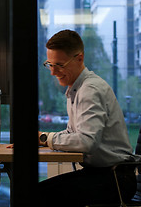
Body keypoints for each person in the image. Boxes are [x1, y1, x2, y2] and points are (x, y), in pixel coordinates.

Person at [38, 29, 137, 206]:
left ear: (79, 58)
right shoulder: (76, 89)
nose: (53, 72)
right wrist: (42, 139)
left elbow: (86, 141)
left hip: (114, 179)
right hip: (105, 175)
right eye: (50, 65)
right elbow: (72, 133)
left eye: (59, 65)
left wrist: (45, 138)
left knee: (36, 196)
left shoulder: (90, 90)